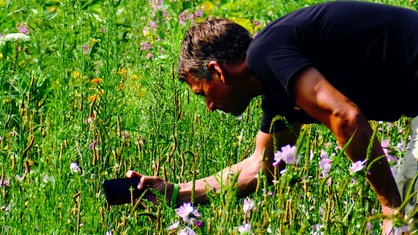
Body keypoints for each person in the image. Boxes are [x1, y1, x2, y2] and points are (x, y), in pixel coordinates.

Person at [127, 1, 418, 234]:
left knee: (408, 204)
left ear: (217, 71)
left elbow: (344, 116)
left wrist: (391, 209)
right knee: (411, 202)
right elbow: (262, 167)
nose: (210, 106)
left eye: (204, 93)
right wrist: (175, 192)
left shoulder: (264, 54)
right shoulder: (275, 83)